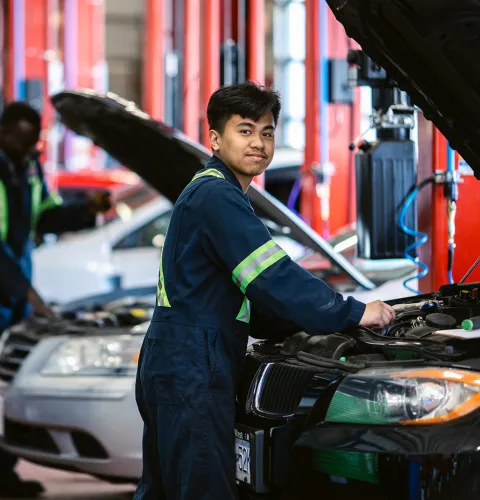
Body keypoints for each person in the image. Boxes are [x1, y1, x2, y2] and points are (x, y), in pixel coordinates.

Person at [134, 81, 395, 500]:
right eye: (245, 130)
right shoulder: (217, 196)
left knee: (167, 487)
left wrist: (296, 327)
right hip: (193, 363)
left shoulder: (210, 192)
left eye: (267, 132)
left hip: (179, 357)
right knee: (203, 489)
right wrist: (351, 312)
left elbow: (245, 297)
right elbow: (272, 276)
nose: (258, 142)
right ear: (215, 139)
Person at [0, 102, 111, 498]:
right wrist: (31, 295)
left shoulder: (28, 166)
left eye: (31, 144)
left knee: (0, 387)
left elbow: (46, 218)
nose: (26, 151)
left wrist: (86, 210)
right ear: (1, 132)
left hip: (11, 294)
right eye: (19, 143)